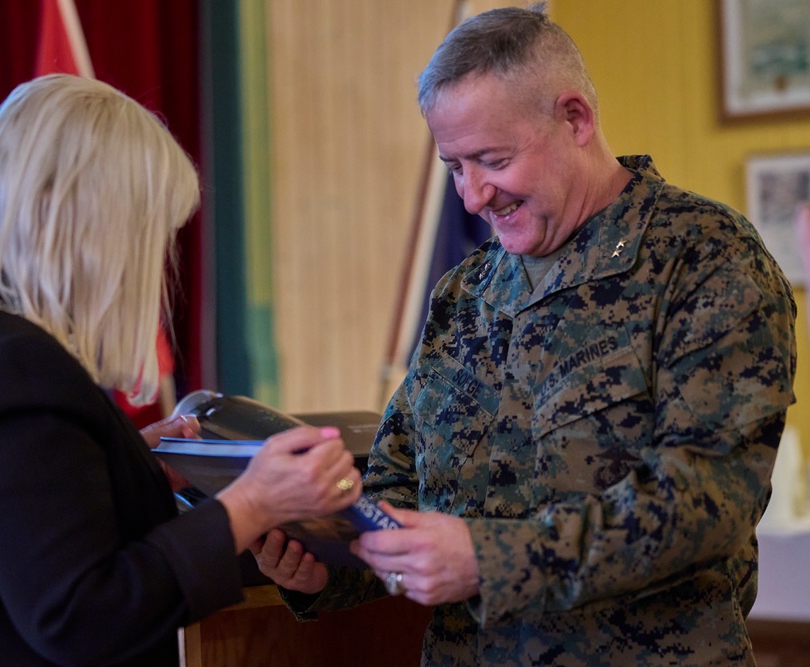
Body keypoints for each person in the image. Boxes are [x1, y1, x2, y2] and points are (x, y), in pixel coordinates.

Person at [254, 5, 796, 666]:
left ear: (574, 119)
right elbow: (400, 482)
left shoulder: (705, 256)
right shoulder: (465, 293)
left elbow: (708, 497)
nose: (474, 196)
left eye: (492, 159)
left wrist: (490, 558)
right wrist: (327, 562)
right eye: (455, 166)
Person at [0, 73, 363, 667]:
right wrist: (251, 502)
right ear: (77, 219)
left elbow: (19, 514)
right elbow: (82, 618)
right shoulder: (14, 367)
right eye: (145, 232)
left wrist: (130, 462)